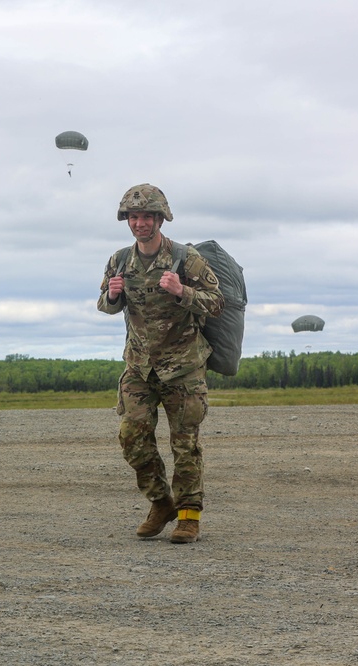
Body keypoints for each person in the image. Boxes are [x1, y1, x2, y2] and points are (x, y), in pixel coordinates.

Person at [97, 184, 225, 544]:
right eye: (134, 217)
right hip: (139, 367)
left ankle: (188, 517)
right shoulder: (120, 260)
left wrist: (182, 291)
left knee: (185, 444)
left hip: (183, 368)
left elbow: (217, 304)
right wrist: (112, 295)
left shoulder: (187, 259)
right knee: (131, 436)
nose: (140, 223)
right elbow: (104, 305)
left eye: (147, 216)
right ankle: (160, 501)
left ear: (160, 218)